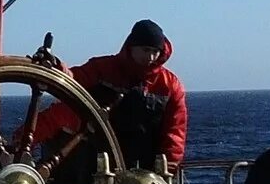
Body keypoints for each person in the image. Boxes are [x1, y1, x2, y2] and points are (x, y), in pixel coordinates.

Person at [33, 18, 189, 172]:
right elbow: (73, 79)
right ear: (131, 47)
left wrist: (167, 169)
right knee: (62, 113)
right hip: (94, 161)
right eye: (145, 50)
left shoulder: (171, 86)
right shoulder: (103, 68)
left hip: (143, 170)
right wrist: (55, 67)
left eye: (155, 52)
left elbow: (174, 132)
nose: (150, 57)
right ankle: (17, 146)